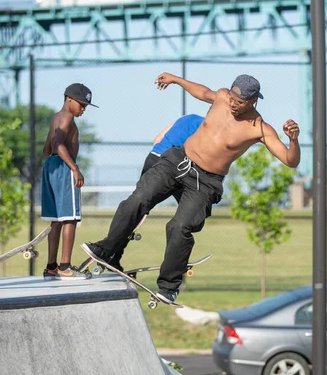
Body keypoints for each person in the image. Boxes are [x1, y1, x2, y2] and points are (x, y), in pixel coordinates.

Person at [83, 73, 300, 304]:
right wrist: (176, 80)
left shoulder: (260, 129)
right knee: (137, 200)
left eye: (240, 102)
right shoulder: (221, 97)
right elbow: (201, 91)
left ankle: (168, 286)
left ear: (253, 101)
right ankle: (108, 250)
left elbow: (290, 160)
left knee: (180, 226)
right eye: (232, 99)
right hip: (177, 160)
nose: (233, 105)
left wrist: (293, 140)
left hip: (205, 182)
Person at [103, 113, 205, 272]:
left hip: (153, 157)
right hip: (174, 166)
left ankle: (113, 254)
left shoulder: (187, 117)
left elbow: (157, 139)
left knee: (137, 211)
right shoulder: (208, 128)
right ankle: (175, 260)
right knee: (191, 214)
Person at [41, 83, 98, 280]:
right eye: (81, 105)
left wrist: (50, 170)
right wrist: (74, 168)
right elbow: (57, 144)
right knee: (70, 219)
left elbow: (47, 148)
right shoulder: (67, 117)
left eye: (85, 106)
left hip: (51, 166)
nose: (83, 109)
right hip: (64, 168)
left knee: (56, 220)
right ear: (69, 99)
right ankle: (65, 266)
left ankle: (51, 267)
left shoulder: (56, 117)